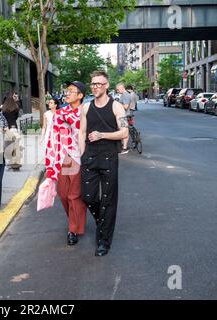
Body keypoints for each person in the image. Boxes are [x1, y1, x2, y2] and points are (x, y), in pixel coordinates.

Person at [79, 70, 128, 257]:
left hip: (109, 157)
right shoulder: (85, 107)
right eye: (93, 84)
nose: (95, 87)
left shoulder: (117, 107)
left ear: (107, 85)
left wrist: (102, 135)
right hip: (90, 157)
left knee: (108, 200)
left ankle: (104, 241)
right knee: (88, 197)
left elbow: (124, 132)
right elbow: (82, 133)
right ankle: (103, 222)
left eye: (99, 83)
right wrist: (81, 155)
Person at [44, 81, 87, 246]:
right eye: (67, 91)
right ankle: (75, 221)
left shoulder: (85, 112)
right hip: (63, 158)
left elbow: (80, 129)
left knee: (74, 195)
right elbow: (53, 138)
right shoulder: (59, 113)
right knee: (63, 194)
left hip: (78, 157)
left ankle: (73, 229)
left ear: (80, 95)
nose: (67, 93)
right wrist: (50, 162)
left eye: (71, 91)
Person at [1, 95, 22, 170]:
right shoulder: (16, 108)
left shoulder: (3, 109)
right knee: (16, 146)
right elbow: (16, 117)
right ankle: (16, 162)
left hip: (7, 129)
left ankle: (9, 163)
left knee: (8, 147)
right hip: (14, 128)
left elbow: (2, 120)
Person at [116, 83, 131, 154]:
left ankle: (125, 148)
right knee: (122, 130)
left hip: (124, 116)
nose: (117, 91)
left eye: (118, 89)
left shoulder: (125, 95)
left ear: (122, 88)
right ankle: (123, 146)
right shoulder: (123, 95)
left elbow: (126, 106)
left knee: (125, 131)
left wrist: (117, 104)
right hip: (123, 115)